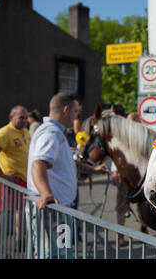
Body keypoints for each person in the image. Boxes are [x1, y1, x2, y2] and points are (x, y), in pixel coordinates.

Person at [26, 93, 108, 258]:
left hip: (57, 210)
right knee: (54, 254)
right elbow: (39, 163)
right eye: (75, 112)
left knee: (55, 253)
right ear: (65, 110)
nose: (76, 116)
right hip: (54, 212)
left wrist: (95, 170)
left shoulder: (54, 132)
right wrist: (46, 193)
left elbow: (68, 163)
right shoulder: (51, 134)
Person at [0, 105, 30, 253]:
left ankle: (20, 241)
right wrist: (1, 175)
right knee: (3, 213)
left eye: (26, 117)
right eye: (21, 117)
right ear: (11, 118)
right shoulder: (4, 133)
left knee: (21, 211)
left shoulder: (25, 132)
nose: (25, 120)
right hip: (10, 180)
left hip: (24, 180)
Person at [111, 111, 144, 246]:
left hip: (140, 176)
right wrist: (115, 173)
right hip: (125, 176)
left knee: (143, 205)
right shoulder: (121, 137)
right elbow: (115, 154)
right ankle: (121, 235)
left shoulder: (143, 135)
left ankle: (144, 229)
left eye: (134, 122)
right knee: (121, 207)